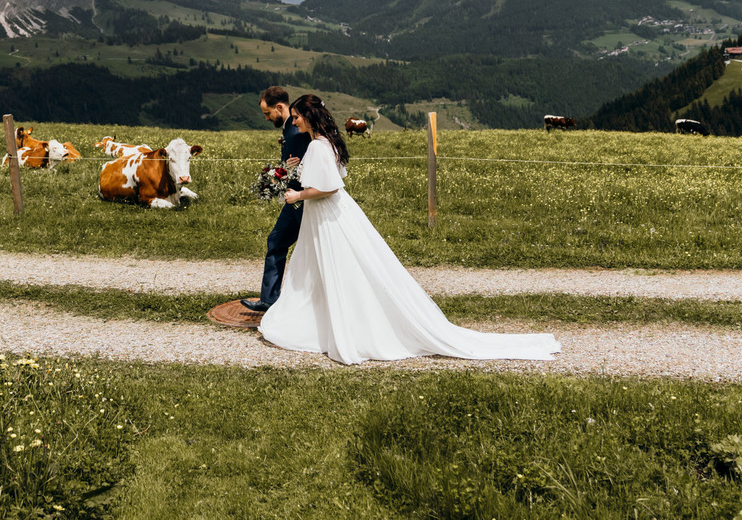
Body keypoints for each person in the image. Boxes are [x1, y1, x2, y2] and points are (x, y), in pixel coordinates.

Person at [258, 94, 561, 364]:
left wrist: (298, 194)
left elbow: (329, 188)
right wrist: (295, 169)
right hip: (328, 216)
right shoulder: (325, 143)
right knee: (323, 269)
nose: (293, 121)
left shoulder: (318, 146)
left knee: (331, 268)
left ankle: (332, 324)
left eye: (297, 117)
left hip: (325, 214)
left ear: (308, 117)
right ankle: (324, 319)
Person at [240, 87, 311, 312]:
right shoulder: (290, 128)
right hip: (293, 199)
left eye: (267, 112)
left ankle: (311, 303)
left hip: (305, 199)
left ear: (280, 107)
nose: (266, 118)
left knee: (312, 250)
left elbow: (316, 153)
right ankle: (269, 299)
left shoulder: (299, 128)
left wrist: (294, 170)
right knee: (276, 242)